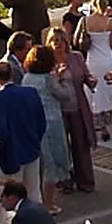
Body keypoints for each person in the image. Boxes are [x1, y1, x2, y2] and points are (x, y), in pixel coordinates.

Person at [21, 46, 73, 212]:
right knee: (51, 166)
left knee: (37, 166)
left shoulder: (26, 78)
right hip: (51, 124)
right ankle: (48, 204)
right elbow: (66, 95)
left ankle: (35, 200)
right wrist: (62, 79)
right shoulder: (48, 79)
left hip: (32, 124)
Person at [46, 28, 98, 193]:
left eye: (61, 40)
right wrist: (58, 77)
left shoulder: (76, 57)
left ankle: (85, 181)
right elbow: (47, 86)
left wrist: (91, 80)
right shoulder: (47, 62)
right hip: (58, 110)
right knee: (62, 147)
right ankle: (65, 181)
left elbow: (85, 75)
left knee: (81, 144)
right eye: (54, 41)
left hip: (77, 107)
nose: (58, 44)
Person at [0, 61, 44, 197]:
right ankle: (35, 217)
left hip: (11, 153)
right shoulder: (30, 92)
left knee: (11, 194)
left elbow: (1, 130)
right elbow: (41, 122)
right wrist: (36, 140)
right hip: (32, 147)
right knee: (33, 191)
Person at [82, 0, 112, 120]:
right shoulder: (110, 21)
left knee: (94, 90)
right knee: (107, 90)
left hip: (92, 59)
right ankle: (108, 116)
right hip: (108, 58)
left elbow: (76, 40)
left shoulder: (85, 21)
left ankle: (95, 117)